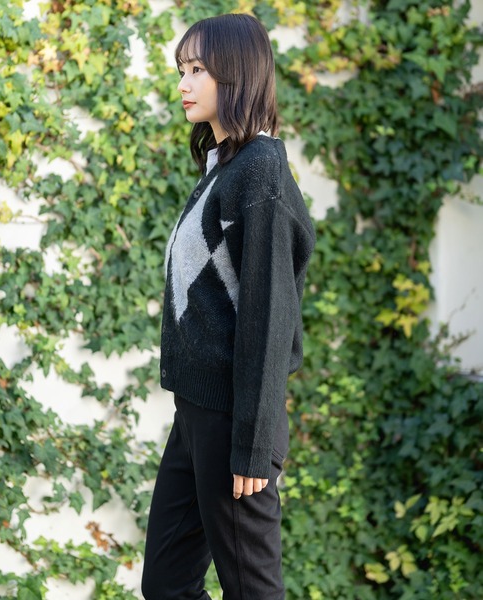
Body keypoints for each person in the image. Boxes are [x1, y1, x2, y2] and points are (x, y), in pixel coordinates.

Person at [141, 13, 315, 600]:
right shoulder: (223, 167)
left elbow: (268, 319)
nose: (183, 84)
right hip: (194, 415)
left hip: (233, 421)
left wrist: (253, 443)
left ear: (236, 73)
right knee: (166, 584)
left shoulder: (260, 170)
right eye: (182, 69)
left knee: (252, 590)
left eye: (198, 69)